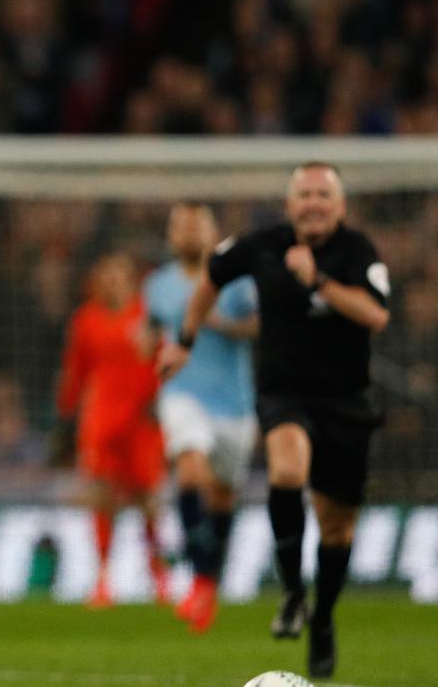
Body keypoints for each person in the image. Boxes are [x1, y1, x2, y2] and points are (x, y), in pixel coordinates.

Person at [158, 162, 390, 678]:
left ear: (340, 206)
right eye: (303, 194)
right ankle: (291, 591)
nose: (312, 203)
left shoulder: (358, 252)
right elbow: (210, 278)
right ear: (289, 204)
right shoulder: (261, 245)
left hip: (346, 403)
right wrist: (186, 340)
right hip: (284, 394)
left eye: (322, 195)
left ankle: (323, 618)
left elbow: (376, 315)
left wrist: (320, 282)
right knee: (286, 472)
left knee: (337, 527)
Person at [143, 203, 258, 633]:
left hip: (234, 403)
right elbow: (151, 332)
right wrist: (143, 343)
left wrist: (216, 323)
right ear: (172, 235)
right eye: (182, 227)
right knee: (190, 470)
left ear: (213, 231)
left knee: (223, 495)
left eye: (198, 225)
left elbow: (260, 326)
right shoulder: (157, 284)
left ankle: (207, 581)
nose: (190, 234)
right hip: (182, 391)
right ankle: (196, 575)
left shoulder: (238, 278)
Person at [57, 252, 168, 608]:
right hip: (101, 421)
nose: (111, 282)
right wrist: (65, 412)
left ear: (130, 279)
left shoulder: (148, 317)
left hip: (142, 422)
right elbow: (76, 369)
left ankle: (158, 574)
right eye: (105, 276)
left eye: (118, 275)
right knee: (103, 497)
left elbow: (163, 364)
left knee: (147, 498)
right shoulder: (86, 320)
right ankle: (103, 578)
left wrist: (162, 401)